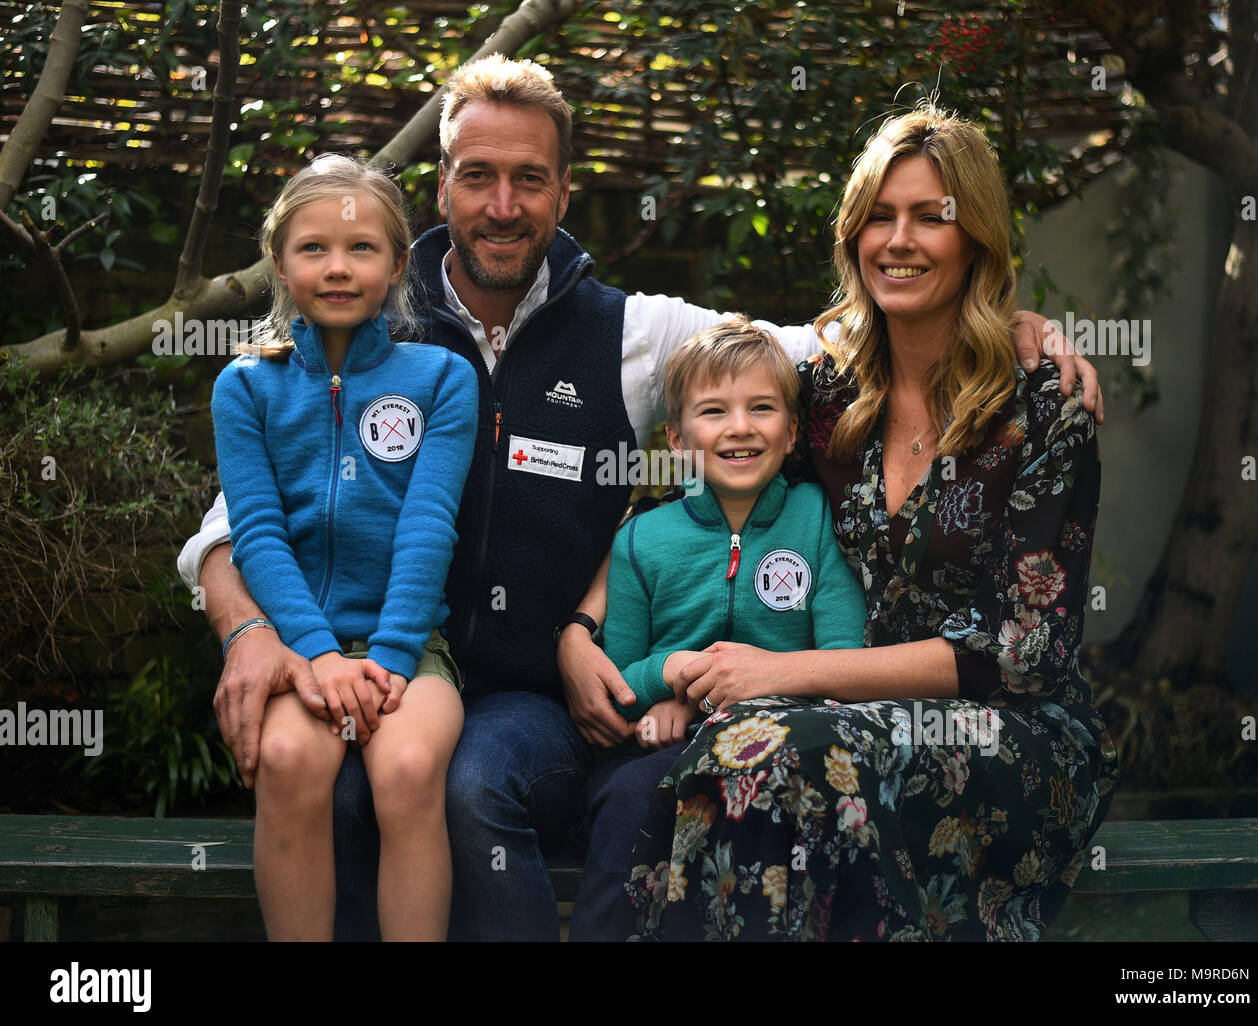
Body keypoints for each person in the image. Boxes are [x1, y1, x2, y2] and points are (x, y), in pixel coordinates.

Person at [177, 55, 1104, 941]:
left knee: (467, 785)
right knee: (331, 787)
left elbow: (781, 354)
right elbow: (243, 514)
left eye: (531, 180)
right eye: (478, 177)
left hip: (541, 700)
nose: (503, 206)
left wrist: (1008, 319)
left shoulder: (634, 333)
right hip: (384, 662)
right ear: (442, 186)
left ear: (566, 192)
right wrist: (248, 630)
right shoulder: (371, 318)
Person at [601, 105, 1118, 940]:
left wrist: (788, 674)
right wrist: (583, 625)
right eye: (880, 215)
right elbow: (709, 495)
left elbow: (1022, 655)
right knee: (749, 748)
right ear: (853, 235)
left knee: (771, 749)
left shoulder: (1044, 408)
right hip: (831, 714)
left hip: (1015, 733)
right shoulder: (823, 396)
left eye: (930, 217)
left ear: (977, 239)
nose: (899, 239)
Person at [209, 153, 477, 940]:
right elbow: (255, 532)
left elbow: (430, 526)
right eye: (314, 248)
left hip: (411, 647)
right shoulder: (245, 388)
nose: (337, 267)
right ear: (281, 264)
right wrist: (319, 655)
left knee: (405, 768)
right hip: (300, 651)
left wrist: (392, 656)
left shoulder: (441, 379)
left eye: (361, 249)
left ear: (398, 263)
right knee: (289, 762)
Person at [566, 318, 869, 939]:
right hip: (661, 750)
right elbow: (623, 675)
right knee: (629, 803)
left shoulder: (819, 520)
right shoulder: (641, 540)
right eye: (713, 411)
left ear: (790, 433)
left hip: (787, 738)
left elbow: (843, 656)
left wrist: (740, 706)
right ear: (677, 438)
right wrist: (670, 680)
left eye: (762, 408)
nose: (740, 426)